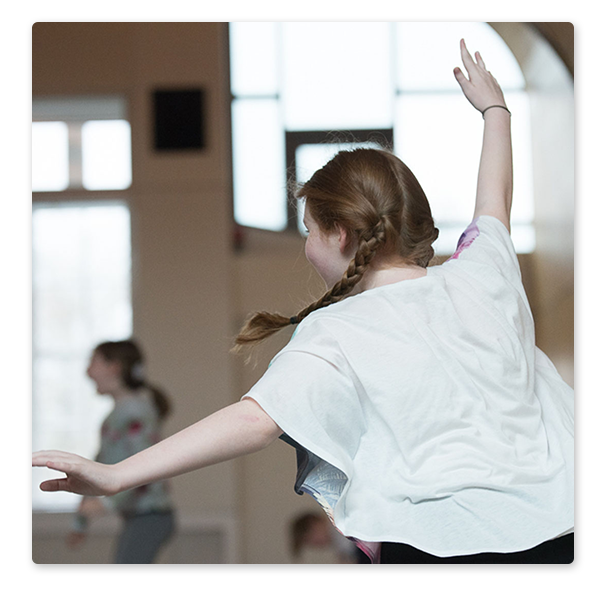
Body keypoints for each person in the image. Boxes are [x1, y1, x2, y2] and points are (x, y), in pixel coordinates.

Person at [32, 40, 573, 564]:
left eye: (309, 230)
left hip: (439, 542)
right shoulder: (485, 273)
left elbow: (253, 422)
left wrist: (116, 475)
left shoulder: (337, 329)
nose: (306, 246)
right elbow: (493, 203)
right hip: (565, 529)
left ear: (340, 234)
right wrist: (495, 110)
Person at [67, 340, 176, 564]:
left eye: (93, 362)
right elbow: (98, 467)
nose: (88, 371)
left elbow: (145, 468)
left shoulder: (136, 411)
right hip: (138, 517)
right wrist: (81, 521)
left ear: (114, 367)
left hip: (151, 517)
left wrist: (104, 504)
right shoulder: (116, 416)